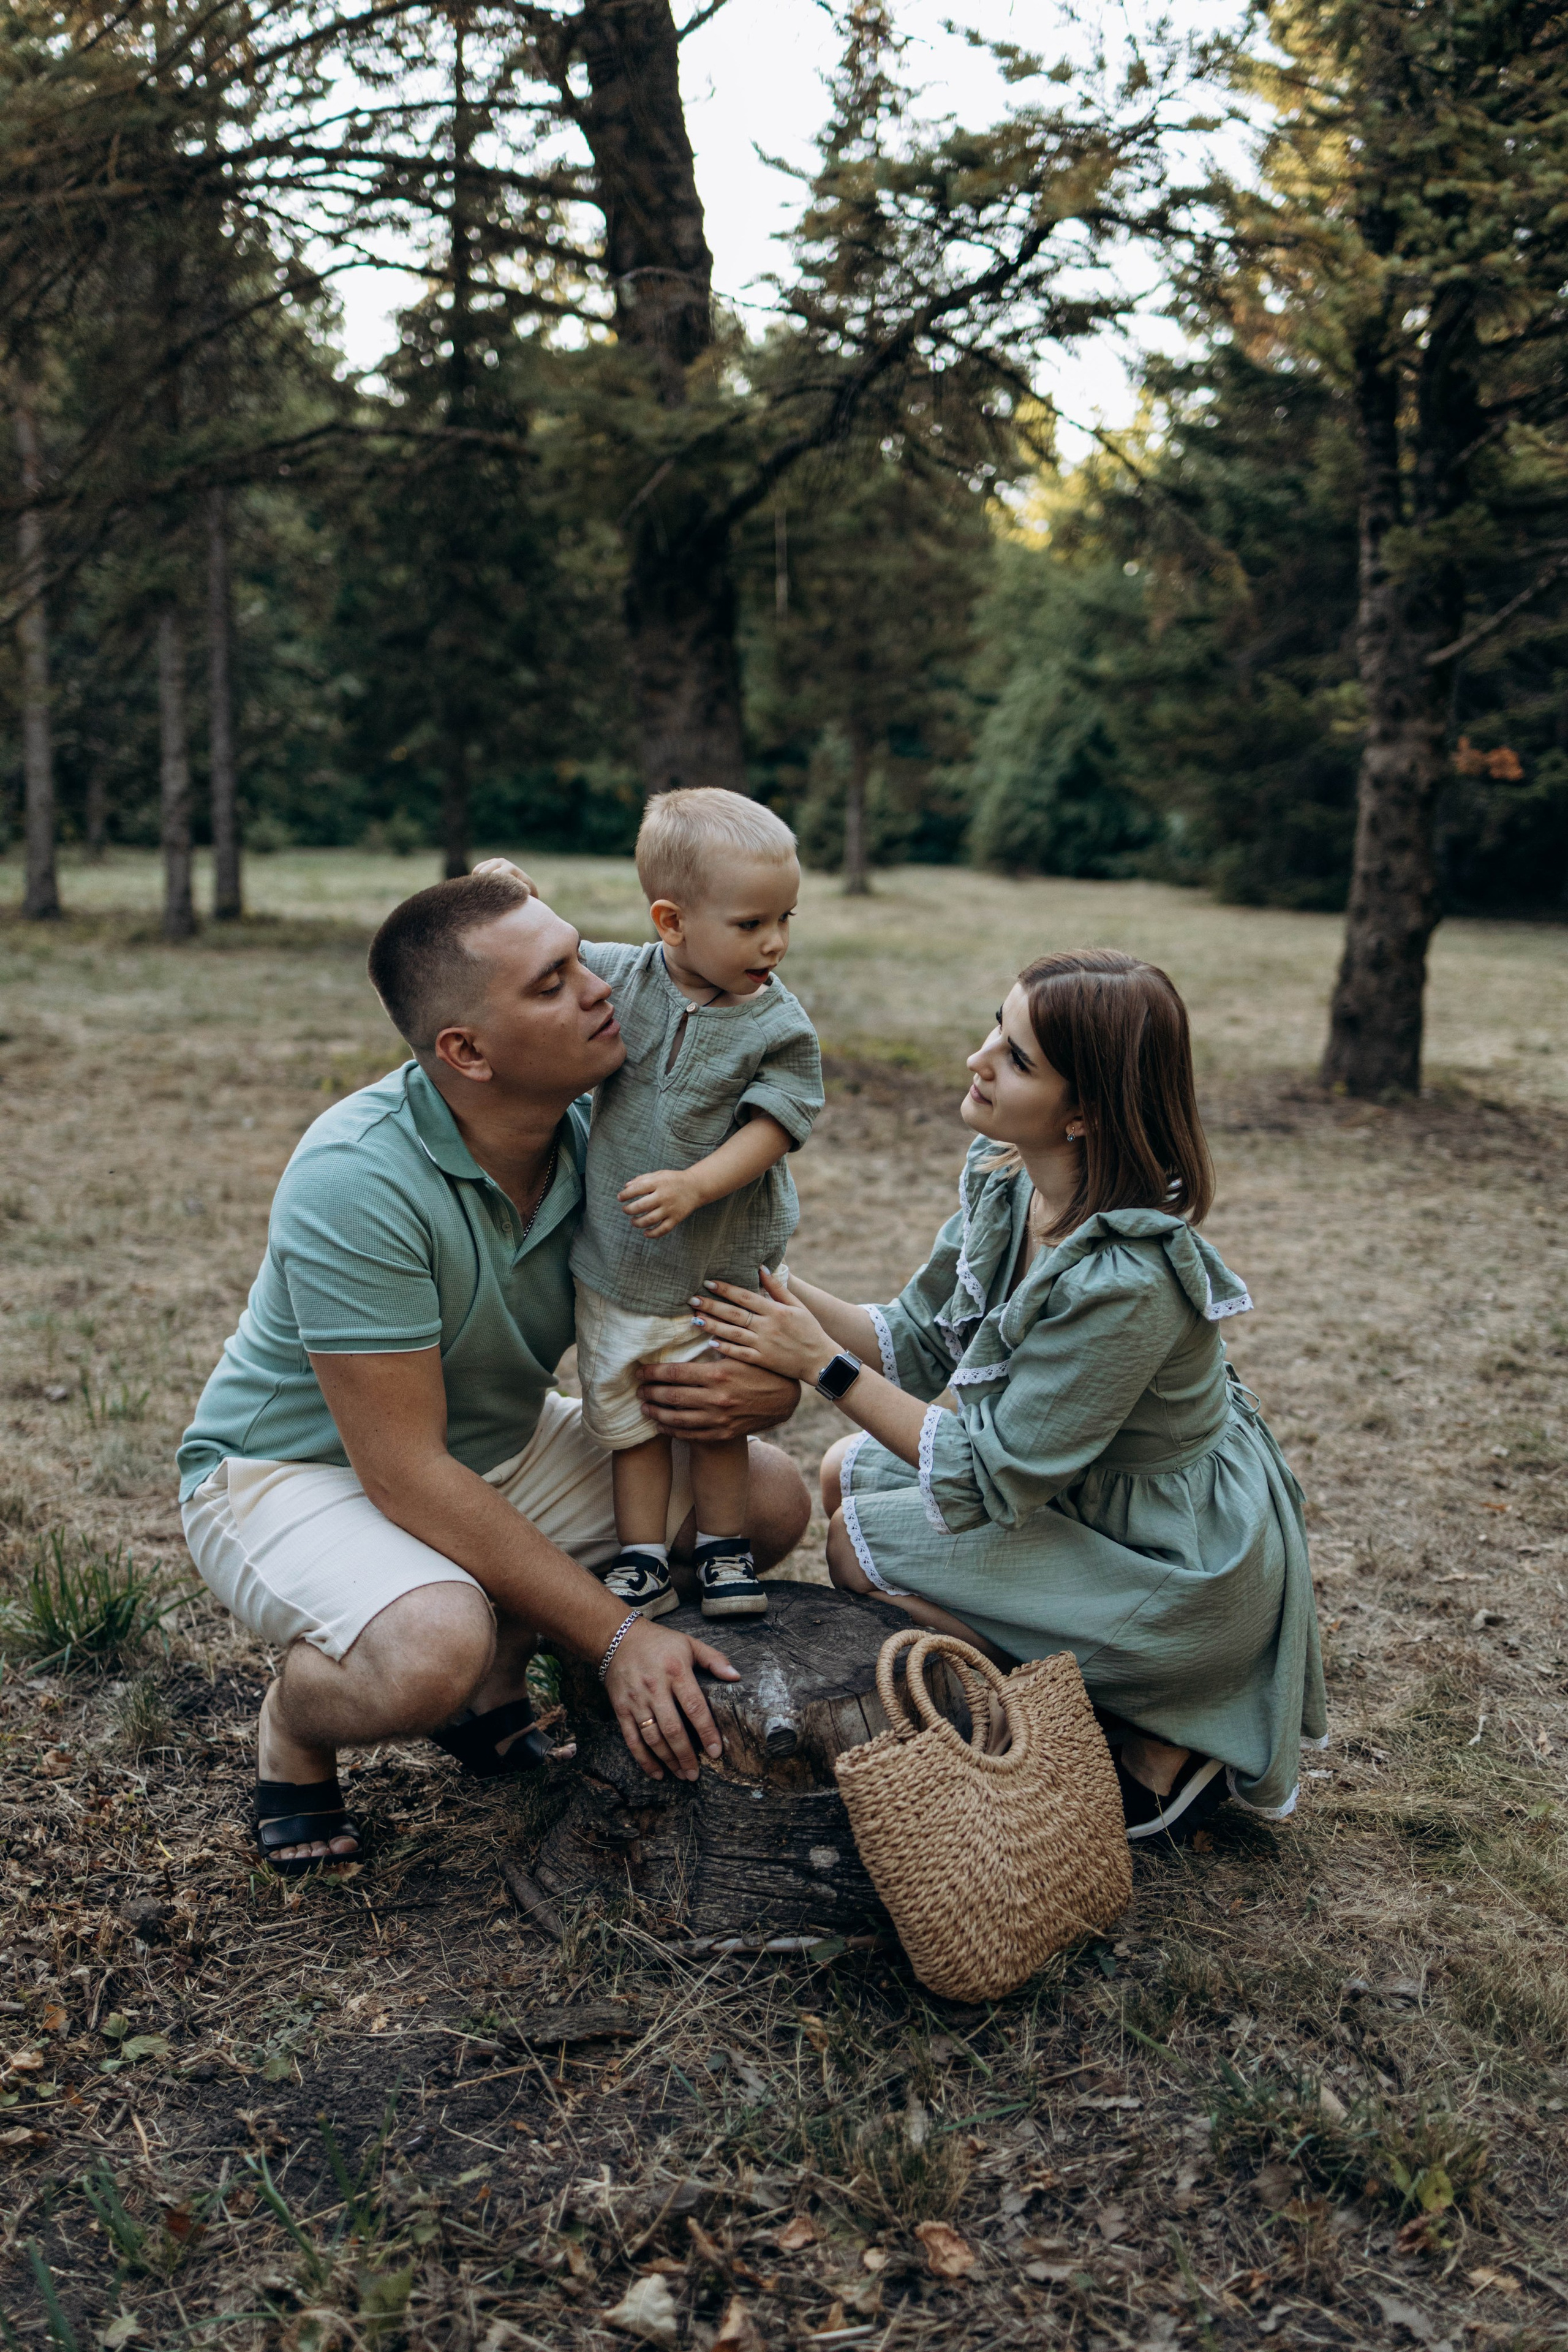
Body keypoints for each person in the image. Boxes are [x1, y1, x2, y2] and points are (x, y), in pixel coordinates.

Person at [177, 870, 812, 1873]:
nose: (602, 988)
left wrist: (769, 1381)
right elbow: (401, 1471)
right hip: (295, 1473)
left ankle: (498, 1675)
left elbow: (735, 1293)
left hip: (493, 1447)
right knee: (432, 1644)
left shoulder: (604, 1131)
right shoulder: (357, 1176)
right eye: (553, 983)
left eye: (583, 958)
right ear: (465, 1052)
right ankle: (296, 1726)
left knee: (767, 1500)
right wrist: (615, 1638)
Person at [692, 947, 1327, 1842]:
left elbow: (988, 1472)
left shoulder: (1125, 1279)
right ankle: (1081, 1692)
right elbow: (916, 1338)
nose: (978, 1058)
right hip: (1073, 1488)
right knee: (844, 1471)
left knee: (853, 1545)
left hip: (1167, 1556)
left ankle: (1152, 1726)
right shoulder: (1006, 1181)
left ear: (1086, 1113)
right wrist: (778, 1291)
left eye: (1018, 1057)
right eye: (999, 1025)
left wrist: (818, 1366)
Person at [569, 790, 822, 1624]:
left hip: (719, 1273)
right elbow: (551, 951)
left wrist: (698, 1184)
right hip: (621, 1269)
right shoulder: (624, 977)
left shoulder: (777, 1024)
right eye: (751, 924)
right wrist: (512, 892)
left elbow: (776, 1125)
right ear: (671, 923)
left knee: (717, 1415)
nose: (776, 942)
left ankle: (723, 1546)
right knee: (634, 1421)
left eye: (785, 917)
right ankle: (642, 1558)